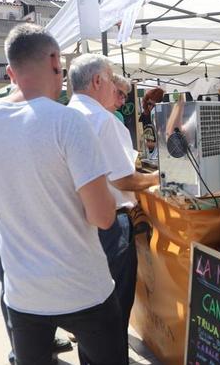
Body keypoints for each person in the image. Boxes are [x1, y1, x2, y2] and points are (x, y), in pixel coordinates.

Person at [0, 24, 124, 365]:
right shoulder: (68, 122)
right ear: (55, 61)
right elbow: (102, 216)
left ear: (10, 71)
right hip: (83, 287)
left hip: (23, 291)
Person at [67, 54, 160, 362]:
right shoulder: (102, 120)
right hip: (110, 226)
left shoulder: (65, 116)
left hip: (78, 223)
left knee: (89, 308)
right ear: (97, 81)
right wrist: (159, 177)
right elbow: (123, 180)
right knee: (114, 307)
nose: (120, 94)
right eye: (111, 80)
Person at [0, 171, 72, 364]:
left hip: (23, 212)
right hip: (5, 214)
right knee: (11, 281)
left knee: (39, 279)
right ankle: (20, 349)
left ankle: (43, 340)